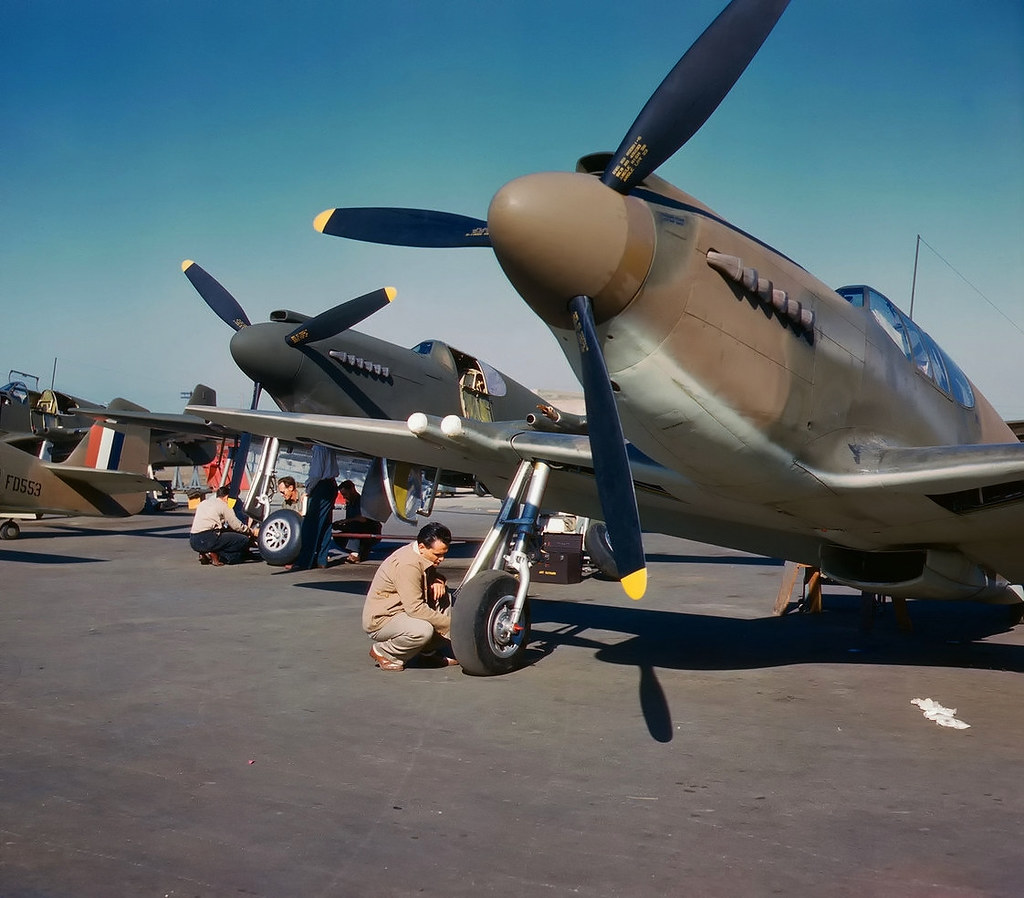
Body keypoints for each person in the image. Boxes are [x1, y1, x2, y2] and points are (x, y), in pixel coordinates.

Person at [363, 521, 458, 671]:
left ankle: (427, 652)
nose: (441, 559)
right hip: (383, 619)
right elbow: (415, 609)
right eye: (437, 555)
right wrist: (452, 625)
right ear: (421, 547)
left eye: (444, 554)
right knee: (422, 630)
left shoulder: (421, 555)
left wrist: (439, 579)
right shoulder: (407, 565)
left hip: (403, 611)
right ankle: (385, 652)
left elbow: (427, 574)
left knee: (442, 594)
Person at [288, 444, 340, 571]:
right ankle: (321, 559)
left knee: (311, 525)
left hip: (321, 486)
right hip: (331, 484)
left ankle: (305, 561)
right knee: (326, 525)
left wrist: (308, 489)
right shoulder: (328, 446)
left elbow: (316, 474)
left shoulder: (319, 448)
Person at [189, 485, 257, 565]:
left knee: (226, 539)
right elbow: (236, 526)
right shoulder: (225, 505)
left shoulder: (204, 503)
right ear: (227, 497)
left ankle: (206, 553)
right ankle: (217, 554)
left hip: (194, 540)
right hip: (209, 538)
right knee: (243, 541)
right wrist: (252, 532)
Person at [332, 479, 382, 563]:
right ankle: (357, 551)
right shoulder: (349, 503)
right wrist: (340, 525)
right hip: (357, 528)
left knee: (356, 527)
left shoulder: (362, 502)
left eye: (345, 494)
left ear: (352, 490)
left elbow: (363, 518)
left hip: (369, 529)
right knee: (339, 536)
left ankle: (356, 553)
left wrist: (346, 521)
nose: (344, 497)